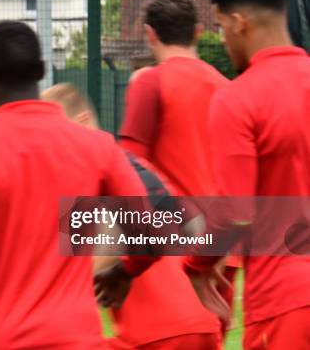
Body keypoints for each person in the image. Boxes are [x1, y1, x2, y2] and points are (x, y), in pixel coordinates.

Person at [0, 21, 146, 350]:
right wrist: (127, 270)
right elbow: (144, 220)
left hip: (2, 339)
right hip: (77, 337)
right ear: (42, 71)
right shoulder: (96, 146)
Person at [42, 83, 223, 349]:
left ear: (82, 122)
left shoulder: (91, 172)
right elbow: (193, 224)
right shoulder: (139, 168)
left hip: (153, 334)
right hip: (201, 325)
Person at [185, 0, 310, 348]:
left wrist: (197, 265)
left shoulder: (238, 99)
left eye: (221, 26)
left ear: (240, 22)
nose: (223, 39)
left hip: (286, 300)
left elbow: (234, 211)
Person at [105, 0, 233, 349]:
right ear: (196, 32)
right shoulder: (226, 89)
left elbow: (131, 170)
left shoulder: (150, 81)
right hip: (223, 245)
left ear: (150, 34)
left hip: (171, 246)